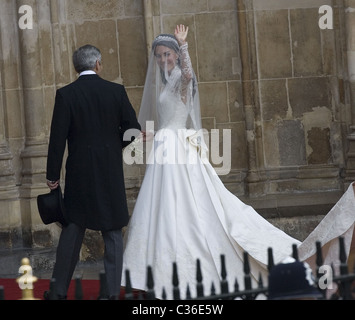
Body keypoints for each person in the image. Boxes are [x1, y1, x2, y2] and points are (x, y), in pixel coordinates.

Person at [121, 24, 355, 300]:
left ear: (175, 54)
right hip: (166, 146)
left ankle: (186, 265)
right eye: (159, 55)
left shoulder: (181, 80)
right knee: (162, 208)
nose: (163, 60)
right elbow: (172, 119)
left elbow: (188, 76)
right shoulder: (163, 82)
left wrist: (184, 46)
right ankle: (156, 267)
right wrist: (156, 134)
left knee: (185, 205)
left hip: (179, 151)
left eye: (167, 55)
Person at [44, 44, 141, 300]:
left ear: (75, 67)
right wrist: (111, 145)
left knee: (73, 229)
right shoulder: (115, 91)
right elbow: (133, 129)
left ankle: (57, 292)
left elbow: (57, 140)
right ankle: (108, 295)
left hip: (79, 173)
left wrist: (52, 176)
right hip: (109, 170)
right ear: (98, 64)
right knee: (112, 231)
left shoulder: (66, 94)